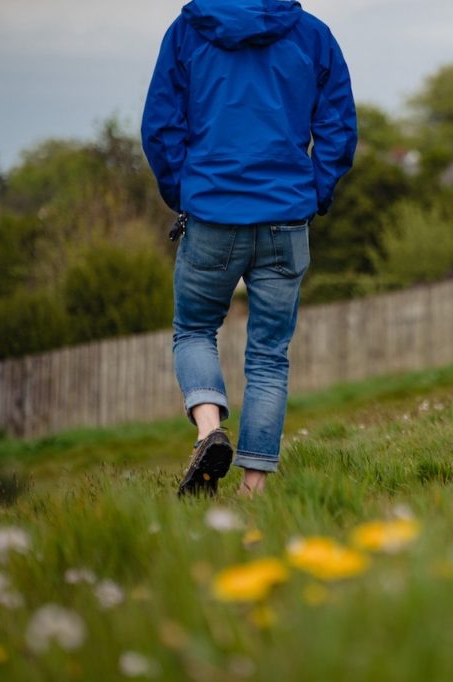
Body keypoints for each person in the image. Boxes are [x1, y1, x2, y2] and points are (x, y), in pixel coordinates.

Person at [142, 0, 357, 496]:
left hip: (213, 213)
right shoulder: (312, 34)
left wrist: (184, 193)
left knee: (194, 329)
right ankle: (253, 490)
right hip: (286, 216)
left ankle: (208, 429)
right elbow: (338, 127)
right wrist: (315, 194)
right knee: (269, 355)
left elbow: (160, 126)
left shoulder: (186, 33)